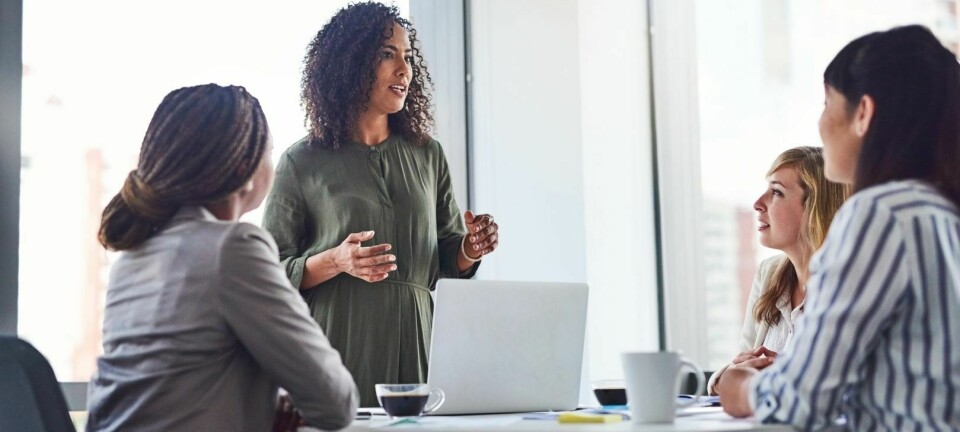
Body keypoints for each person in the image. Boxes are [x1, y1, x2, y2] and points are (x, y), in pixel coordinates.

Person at [718, 25, 960, 431]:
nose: (820, 121)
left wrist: (739, 387)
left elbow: (802, 401)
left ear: (863, 112)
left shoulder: (880, 215)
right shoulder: (942, 214)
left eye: (827, 101)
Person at [262, 2, 500, 406]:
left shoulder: (428, 155)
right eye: (388, 55)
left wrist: (469, 248)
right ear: (351, 63)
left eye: (408, 57)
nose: (404, 69)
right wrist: (336, 260)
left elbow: (445, 259)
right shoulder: (301, 162)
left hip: (418, 348)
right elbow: (268, 276)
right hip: (339, 346)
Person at [86, 84, 358, 431]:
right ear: (245, 168)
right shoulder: (233, 248)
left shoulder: (130, 258)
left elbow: (173, 385)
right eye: (269, 153)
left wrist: (259, 404)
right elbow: (337, 402)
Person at [707, 147, 848, 395]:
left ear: (814, 208)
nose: (758, 204)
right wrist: (725, 380)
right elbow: (738, 365)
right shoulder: (769, 273)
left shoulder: (849, 284)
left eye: (776, 192)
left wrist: (783, 375)